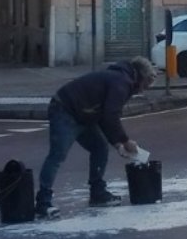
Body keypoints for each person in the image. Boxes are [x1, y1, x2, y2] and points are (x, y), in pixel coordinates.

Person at [35, 56, 156, 218]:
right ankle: (43, 203)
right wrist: (125, 141)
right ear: (141, 76)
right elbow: (110, 116)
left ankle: (97, 193)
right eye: (146, 85)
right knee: (58, 154)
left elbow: (103, 116)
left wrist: (117, 144)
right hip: (65, 109)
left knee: (100, 148)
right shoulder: (121, 83)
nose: (143, 90)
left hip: (83, 114)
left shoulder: (121, 79)